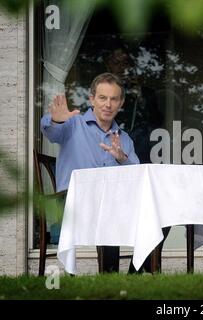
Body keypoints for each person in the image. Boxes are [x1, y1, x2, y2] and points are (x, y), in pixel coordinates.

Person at [41, 72, 140, 273]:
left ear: (121, 103)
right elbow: (50, 131)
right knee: (109, 208)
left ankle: (134, 276)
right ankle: (110, 274)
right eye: (102, 98)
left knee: (156, 213)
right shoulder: (72, 124)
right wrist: (56, 120)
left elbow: (137, 176)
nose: (108, 104)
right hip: (73, 203)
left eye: (114, 99)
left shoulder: (124, 139)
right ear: (91, 99)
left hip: (112, 204)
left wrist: (121, 157)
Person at [104, 44, 170, 273]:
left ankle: (139, 266)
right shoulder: (104, 100)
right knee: (111, 214)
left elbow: (158, 121)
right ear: (108, 65)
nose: (121, 67)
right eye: (116, 61)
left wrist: (140, 94)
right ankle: (110, 272)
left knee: (162, 210)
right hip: (110, 172)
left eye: (125, 63)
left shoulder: (145, 93)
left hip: (139, 158)